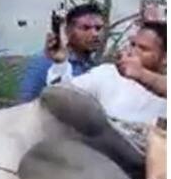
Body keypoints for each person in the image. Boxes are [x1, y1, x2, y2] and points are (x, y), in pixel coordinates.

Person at [51, 21, 166, 153]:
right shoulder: (107, 74)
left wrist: (140, 74)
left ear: (165, 58)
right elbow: (62, 93)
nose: (133, 52)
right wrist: (59, 65)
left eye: (143, 49)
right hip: (96, 156)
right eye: (133, 45)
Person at [18, 3, 104, 102]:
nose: (95, 34)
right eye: (85, 28)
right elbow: (25, 103)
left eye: (98, 28)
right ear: (67, 31)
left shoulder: (92, 65)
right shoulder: (45, 62)